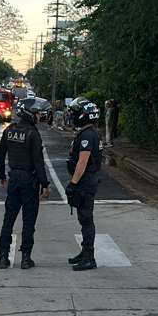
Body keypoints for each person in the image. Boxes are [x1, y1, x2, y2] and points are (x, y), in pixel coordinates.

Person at [0, 97, 51, 270]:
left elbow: (0, 155)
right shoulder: (33, 134)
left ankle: (3, 257)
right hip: (29, 181)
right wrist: (45, 184)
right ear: (28, 114)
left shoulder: (9, 130)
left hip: (14, 180)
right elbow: (38, 162)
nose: (38, 116)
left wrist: (2, 175)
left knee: (9, 219)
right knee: (28, 221)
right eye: (36, 113)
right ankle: (26, 258)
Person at [65, 98, 102, 272]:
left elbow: (83, 161)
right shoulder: (89, 132)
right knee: (83, 218)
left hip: (85, 182)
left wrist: (73, 183)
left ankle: (89, 257)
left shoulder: (88, 135)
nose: (72, 116)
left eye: (74, 113)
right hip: (86, 181)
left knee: (86, 219)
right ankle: (85, 252)